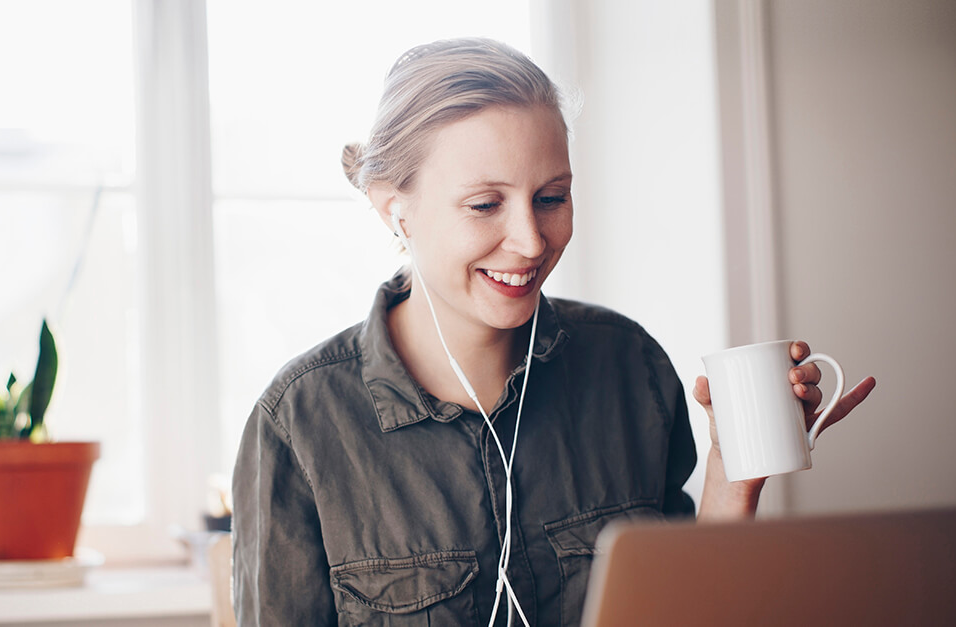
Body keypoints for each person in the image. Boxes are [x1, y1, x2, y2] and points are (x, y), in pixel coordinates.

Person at [231, 37, 875, 626]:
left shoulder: (630, 366)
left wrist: (736, 475)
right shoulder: (300, 423)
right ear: (394, 208)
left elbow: (688, 609)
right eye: (485, 204)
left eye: (552, 197)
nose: (531, 241)